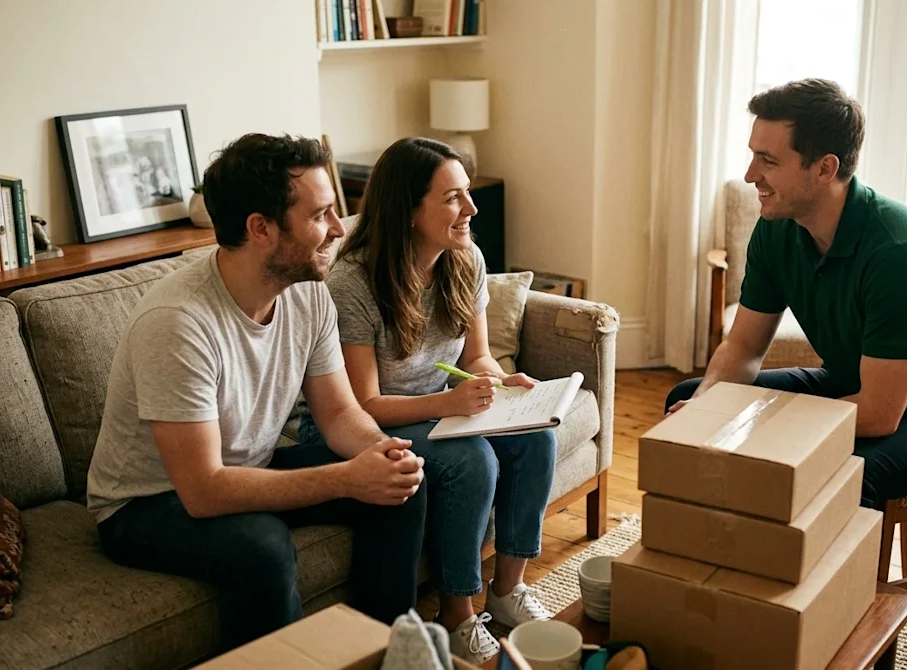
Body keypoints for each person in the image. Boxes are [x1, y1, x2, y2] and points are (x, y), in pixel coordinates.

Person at [86, 133, 429, 649]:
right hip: (146, 506)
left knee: (399, 489)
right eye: (320, 216)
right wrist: (346, 479)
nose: (339, 229)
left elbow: (338, 413)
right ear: (260, 229)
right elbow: (203, 491)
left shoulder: (309, 295)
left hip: (246, 468)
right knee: (263, 546)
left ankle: (383, 654)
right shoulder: (178, 323)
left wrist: (378, 453)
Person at [666, 79, 907, 510]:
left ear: (824, 168)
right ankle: (725, 545)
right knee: (689, 398)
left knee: (842, 472)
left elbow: (879, 414)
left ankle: (825, 577)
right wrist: (708, 405)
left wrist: (762, 423)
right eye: (752, 156)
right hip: (846, 384)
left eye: (767, 160)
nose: (750, 176)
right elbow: (744, 346)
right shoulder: (777, 226)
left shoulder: (900, 254)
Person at [298, 137, 556, 664]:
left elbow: (480, 356)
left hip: (435, 407)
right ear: (409, 209)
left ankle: (506, 593)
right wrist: (450, 404)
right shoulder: (354, 283)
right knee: (471, 461)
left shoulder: (465, 259)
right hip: (355, 423)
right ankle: (457, 614)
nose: (471, 208)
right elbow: (359, 404)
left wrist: (502, 384)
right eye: (453, 197)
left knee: (536, 434)